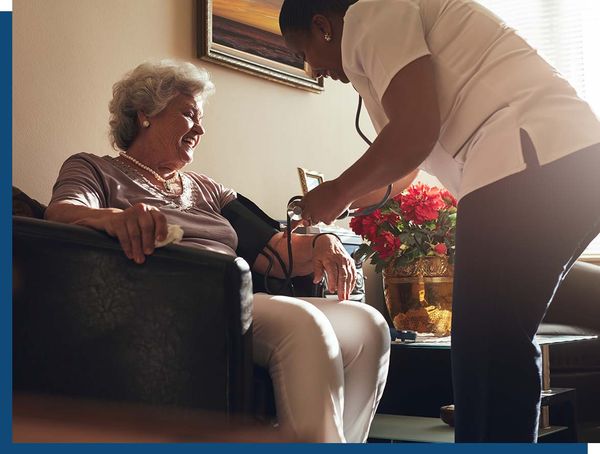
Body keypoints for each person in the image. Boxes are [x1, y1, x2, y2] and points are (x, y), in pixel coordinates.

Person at [278, 0, 600, 443]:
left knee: (487, 350)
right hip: (563, 162)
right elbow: (404, 166)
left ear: (322, 25)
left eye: (303, 53)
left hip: (528, 158)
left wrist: (336, 189)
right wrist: (343, 203)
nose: (312, 70)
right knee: (496, 340)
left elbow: (413, 133)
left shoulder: (372, 13)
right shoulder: (385, 44)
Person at [44, 59, 390, 443]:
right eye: (189, 114)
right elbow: (60, 212)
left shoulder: (209, 189)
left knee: (367, 325)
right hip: (165, 304)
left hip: (232, 297)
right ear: (146, 115)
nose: (200, 128)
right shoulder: (95, 169)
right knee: (303, 325)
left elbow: (276, 249)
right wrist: (117, 218)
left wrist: (325, 241)